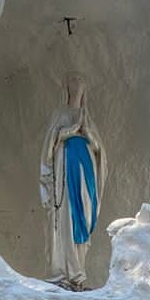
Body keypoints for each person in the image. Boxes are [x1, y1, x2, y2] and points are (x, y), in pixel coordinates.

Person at [39, 75, 107, 288]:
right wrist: (68, 132)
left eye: (80, 89)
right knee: (64, 219)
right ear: (67, 91)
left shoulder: (88, 118)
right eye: (73, 88)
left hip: (85, 173)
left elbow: (100, 152)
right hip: (64, 175)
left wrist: (87, 133)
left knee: (84, 217)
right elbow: (49, 146)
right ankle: (62, 273)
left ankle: (78, 273)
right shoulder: (60, 115)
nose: (76, 92)